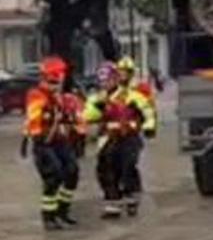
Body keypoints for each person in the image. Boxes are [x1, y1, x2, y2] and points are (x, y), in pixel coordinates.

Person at [84, 61, 157, 218]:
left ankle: (132, 199)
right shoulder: (97, 98)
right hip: (108, 138)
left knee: (128, 167)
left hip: (129, 137)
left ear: (116, 79)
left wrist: (149, 126)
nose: (106, 84)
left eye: (108, 80)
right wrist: (98, 108)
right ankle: (112, 204)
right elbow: (88, 116)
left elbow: (147, 111)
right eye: (102, 81)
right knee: (105, 170)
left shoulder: (131, 96)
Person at [21, 56, 82, 230]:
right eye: (54, 80)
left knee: (72, 171)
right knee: (53, 175)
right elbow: (34, 119)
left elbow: (72, 117)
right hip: (44, 142)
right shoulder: (37, 95)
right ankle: (49, 216)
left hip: (60, 140)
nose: (57, 84)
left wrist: (74, 123)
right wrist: (39, 134)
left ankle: (63, 210)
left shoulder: (62, 97)